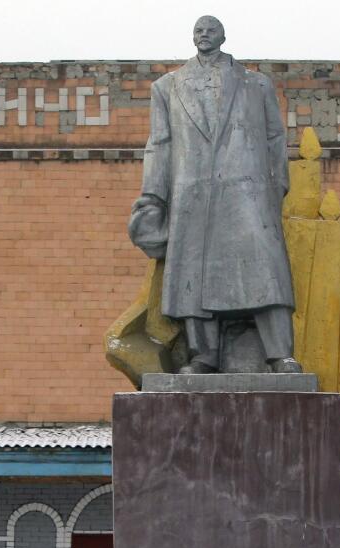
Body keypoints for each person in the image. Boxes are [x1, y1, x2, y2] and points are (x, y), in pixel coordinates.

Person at [128, 16, 303, 375]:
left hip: (248, 192)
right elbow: (159, 146)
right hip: (193, 194)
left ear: (223, 36)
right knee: (195, 276)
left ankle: (280, 354)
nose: (203, 35)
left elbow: (275, 139)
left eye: (210, 30)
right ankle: (203, 355)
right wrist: (152, 197)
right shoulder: (167, 87)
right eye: (198, 30)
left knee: (265, 272)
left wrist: (275, 189)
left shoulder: (256, 84)